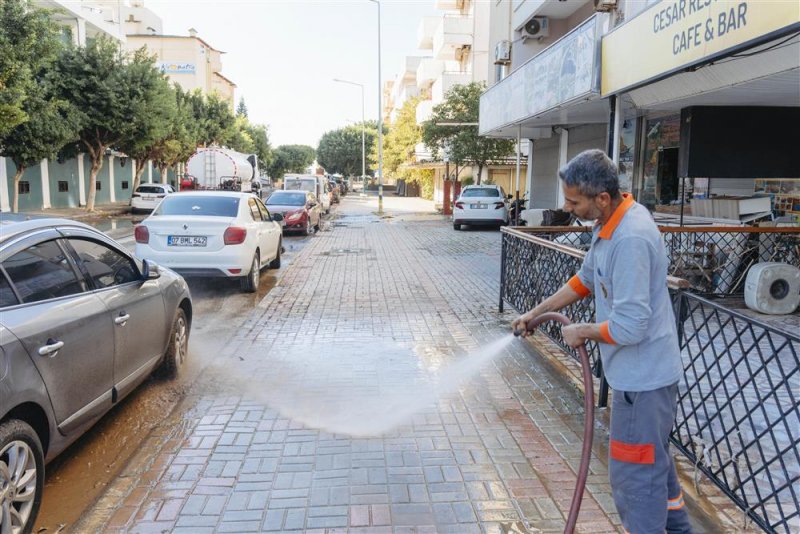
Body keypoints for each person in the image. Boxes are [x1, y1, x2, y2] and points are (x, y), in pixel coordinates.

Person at [511, 149, 692, 533]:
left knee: (636, 484)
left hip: (640, 385)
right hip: (643, 381)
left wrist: (584, 330)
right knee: (657, 475)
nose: (567, 206)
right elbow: (585, 280)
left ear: (602, 198)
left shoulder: (631, 239)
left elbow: (630, 327)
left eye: (574, 201)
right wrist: (536, 313)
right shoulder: (608, 227)